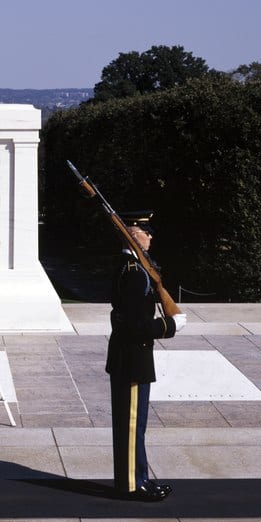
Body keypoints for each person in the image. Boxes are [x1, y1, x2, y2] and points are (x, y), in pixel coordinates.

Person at [105, 212, 186, 502]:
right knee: (131, 426)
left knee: (134, 426)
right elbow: (132, 325)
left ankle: (137, 478)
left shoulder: (135, 268)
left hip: (130, 357)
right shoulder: (134, 273)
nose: (150, 236)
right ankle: (131, 484)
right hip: (132, 359)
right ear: (131, 233)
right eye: (145, 231)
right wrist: (169, 326)